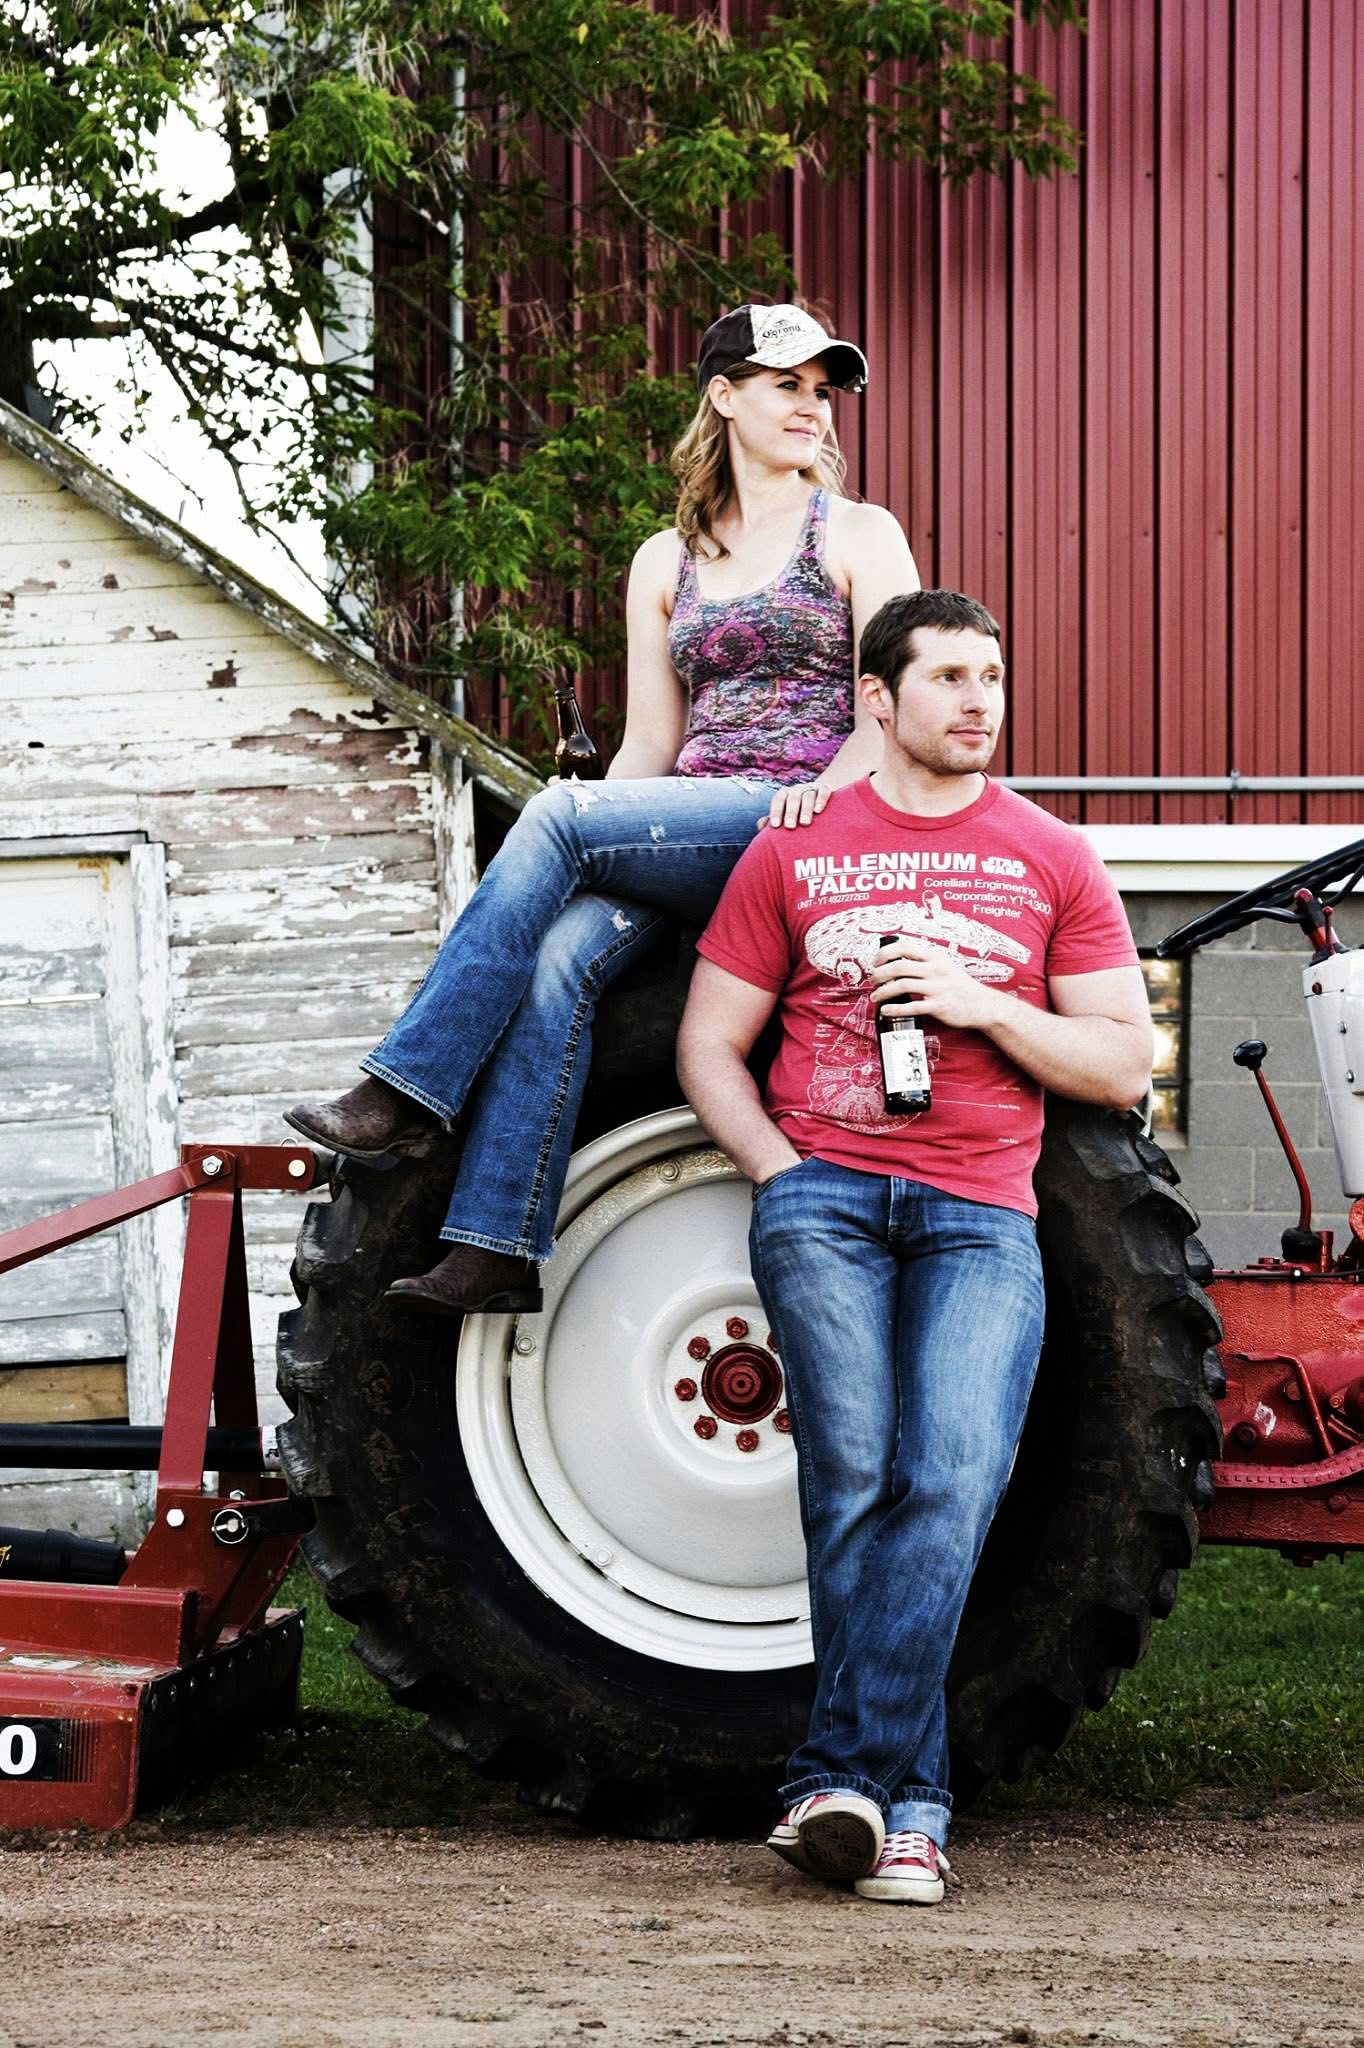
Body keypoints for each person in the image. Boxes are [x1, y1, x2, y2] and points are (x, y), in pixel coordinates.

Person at [287, 304, 919, 1313]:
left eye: (820, 389)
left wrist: (825, 788)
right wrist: (601, 828)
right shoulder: (665, 560)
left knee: (556, 813)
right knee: (558, 956)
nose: (812, 406)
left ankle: (409, 1087)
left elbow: (893, 711)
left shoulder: (856, 534)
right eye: (785, 385)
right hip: (692, 824)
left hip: (808, 820)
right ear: (724, 395)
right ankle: (498, 1244)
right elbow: (650, 746)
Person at [676, 589, 1152, 1904]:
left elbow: (1121, 1062)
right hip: (823, 1201)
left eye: (990, 675)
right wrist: (781, 1175)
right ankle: (912, 1818)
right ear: (877, 699)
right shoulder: (794, 849)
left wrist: (982, 1002)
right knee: (851, 1488)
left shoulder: (1050, 855)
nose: (978, 699)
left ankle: (840, 1780)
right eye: (947, 676)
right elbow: (708, 1043)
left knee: (945, 1484)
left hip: (981, 1214)